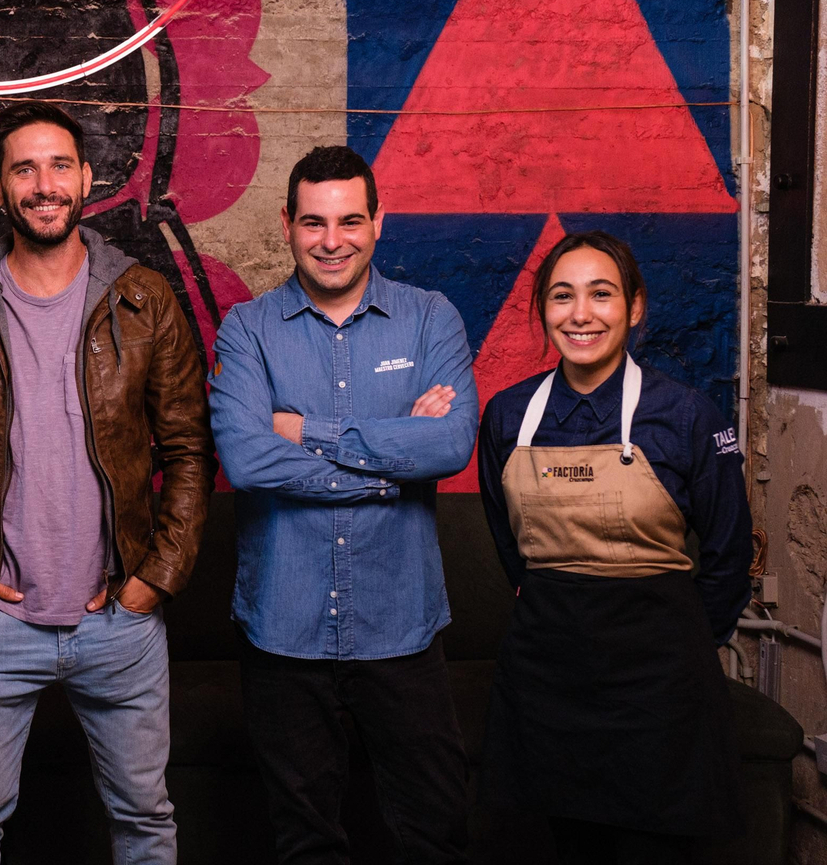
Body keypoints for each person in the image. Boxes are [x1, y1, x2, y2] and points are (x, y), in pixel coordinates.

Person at [0, 100, 213, 865]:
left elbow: (189, 450)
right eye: (25, 169)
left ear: (88, 179)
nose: (44, 185)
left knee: (146, 822)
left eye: (60, 166)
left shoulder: (144, 298)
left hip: (120, 622)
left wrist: (154, 580)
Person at [209, 145, 478, 864]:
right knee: (305, 844)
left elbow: (450, 443)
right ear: (287, 224)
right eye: (314, 223)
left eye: (350, 221)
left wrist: (308, 431)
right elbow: (246, 459)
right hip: (283, 630)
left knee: (436, 835)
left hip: (401, 627)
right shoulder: (247, 329)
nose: (333, 241)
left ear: (378, 222)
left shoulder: (431, 319)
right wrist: (391, 471)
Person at [477, 230, 750, 863]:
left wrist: (680, 646)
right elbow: (509, 543)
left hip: (660, 686)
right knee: (565, 845)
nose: (580, 314)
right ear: (542, 309)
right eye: (561, 296)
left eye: (601, 294)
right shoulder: (508, 416)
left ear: (635, 307)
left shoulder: (687, 416)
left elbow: (730, 556)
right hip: (548, 677)